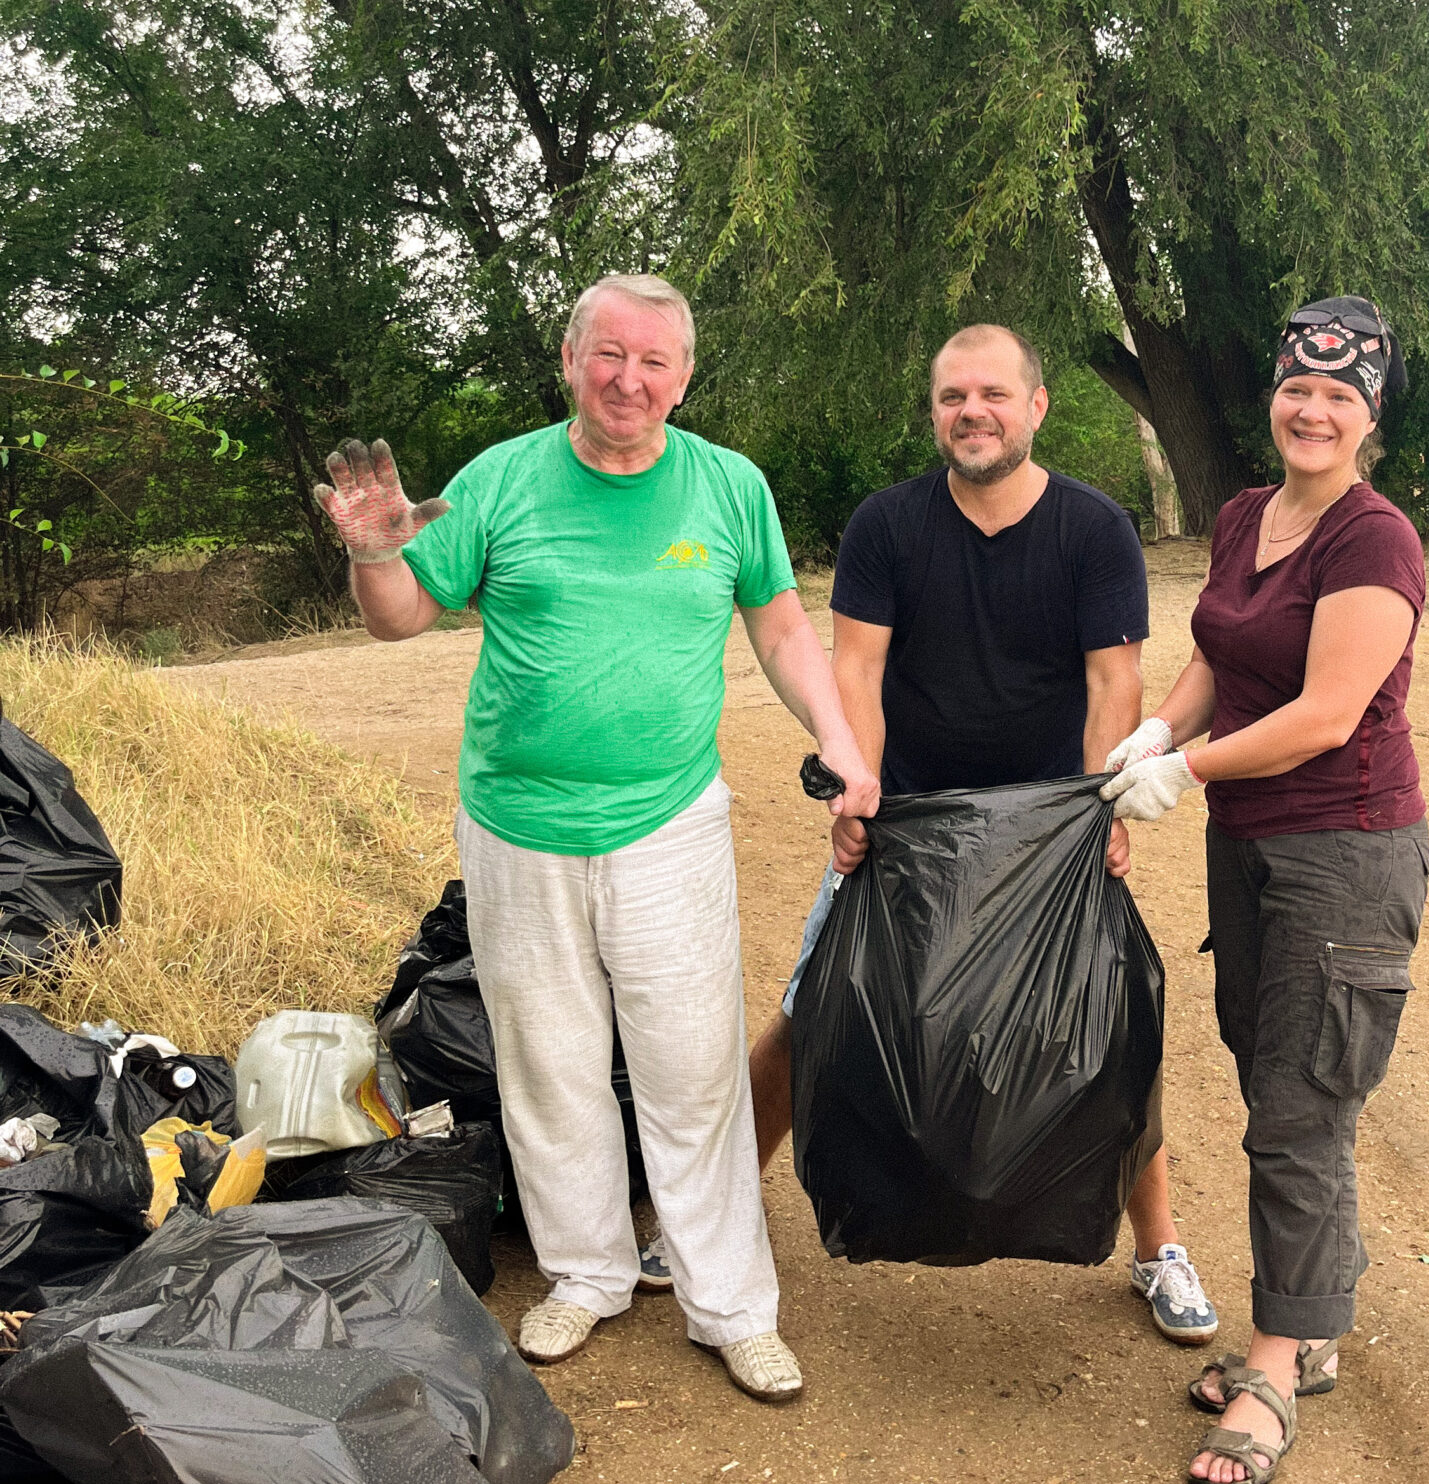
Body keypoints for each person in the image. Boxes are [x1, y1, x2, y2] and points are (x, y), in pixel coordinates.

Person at [312, 272, 879, 1394]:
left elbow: (777, 625)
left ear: (684, 376)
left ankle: (730, 1302)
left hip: (666, 820)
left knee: (693, 1062)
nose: (629, 378)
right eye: (607, 354)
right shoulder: (502, 479)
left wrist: (844, 740)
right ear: (570, 362)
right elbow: (401, 618)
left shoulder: (727, 486)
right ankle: (585, 1273)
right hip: (516, 825)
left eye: (654, 360)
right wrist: (376, 550)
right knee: (550, 1056)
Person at [743, 322, 1219, 1347]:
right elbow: (857, 673)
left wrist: (1103, 812)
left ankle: (1158, 1248)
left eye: (994, 394)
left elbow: (1113, 683)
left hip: (1050, 834)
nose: (974, 412)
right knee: (814, 1008)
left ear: (1036, 406)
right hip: (908, 819)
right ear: (936, 413)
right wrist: (855, 796)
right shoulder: (886, 526)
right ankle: (713, 1216)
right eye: (954, 396)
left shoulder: (1094, 529)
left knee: (1108, 1027)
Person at [1101, 296, 1428, 1484]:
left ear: (1368, 413)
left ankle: (1278, 1367)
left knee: (1300, 1102)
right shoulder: (1247, 514)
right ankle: (1315, 1318)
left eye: (1339, 396)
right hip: (1250, 847)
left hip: (1344, 851)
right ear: (1275, 393)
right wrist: (1154, 729)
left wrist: (1181, 770)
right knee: (1278, 1073)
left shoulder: (1372, 539)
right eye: (1299, 386)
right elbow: (1222, 663)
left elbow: (1324, 713)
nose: (1313, 409)